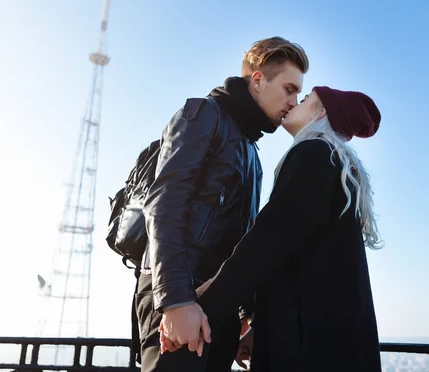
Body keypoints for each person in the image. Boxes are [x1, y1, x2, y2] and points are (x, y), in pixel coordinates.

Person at [161, 85, 384, 371]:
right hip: (332, 339)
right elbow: (295, 257)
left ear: (321, 111)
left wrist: (194, 307)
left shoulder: (314, 154)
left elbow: (264, 246)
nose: (294, 104)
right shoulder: (335, 164)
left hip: (310, 347)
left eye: (304, 99)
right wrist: (260, 324)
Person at [135, 36, 310, 372]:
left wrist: (245, 316)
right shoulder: (205, 115)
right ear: (258, 80)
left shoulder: (251, 152)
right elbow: (164, 202)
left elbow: (244, 241)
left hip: (217, 306)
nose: (294, 101)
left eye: (299, 94)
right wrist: (175, 301)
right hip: (179, 292)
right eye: (289, 89)